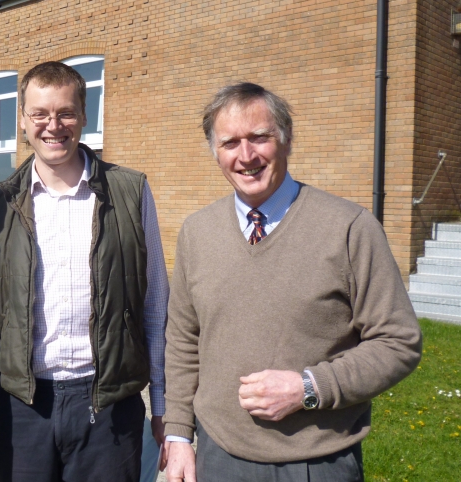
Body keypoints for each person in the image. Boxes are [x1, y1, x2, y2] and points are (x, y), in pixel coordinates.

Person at [162, 82, 422, 482]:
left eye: (259, 138)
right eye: (230, 142)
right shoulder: (197, 232)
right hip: (219, 456)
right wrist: (179, 434)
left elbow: (398, 341)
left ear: (286, 141)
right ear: (216, 153)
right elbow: (182, 339)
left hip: (315, 461)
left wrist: (308, 387)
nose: (246, 156)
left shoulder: (349, 228)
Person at [0, 61, 169, 482]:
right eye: (40, 114)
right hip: (24, 411)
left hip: (108, 410)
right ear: (23, 120)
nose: (53, 125)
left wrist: (163, 405)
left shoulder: (131, 192)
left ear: (83, 116)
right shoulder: (1, 205)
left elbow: (155, 306)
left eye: (65, 112)